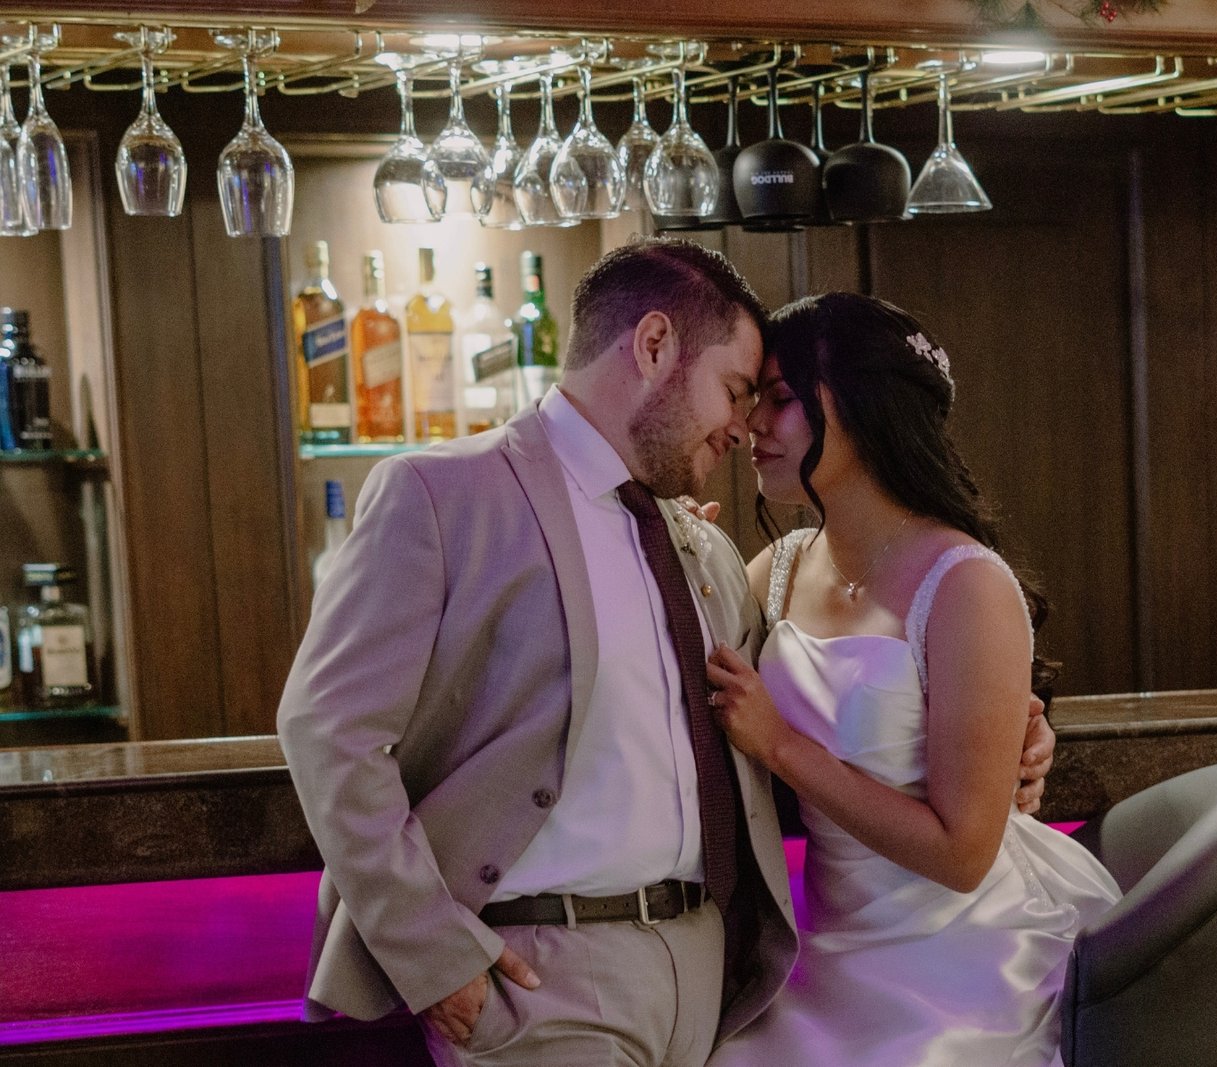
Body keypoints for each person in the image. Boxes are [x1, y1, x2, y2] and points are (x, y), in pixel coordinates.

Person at [277, 237, 1055, 1067]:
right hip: (543, 976)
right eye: (738, 391)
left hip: (723, 979)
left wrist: (1007, 723)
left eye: (771, 398)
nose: (745, 425)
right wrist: (435, 954)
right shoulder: (444, 494)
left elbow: (836, 704)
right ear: (652, 346)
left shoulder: (704, 548)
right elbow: (330, 728)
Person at [704, 292, 1122, 1067]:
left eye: (782, 397)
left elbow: (962, 855)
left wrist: (782, 745)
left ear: (862, 408)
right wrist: (682, 555)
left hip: (957, 958)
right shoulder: (777, 569)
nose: (753, 422)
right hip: (822, 951)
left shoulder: (966, 584)